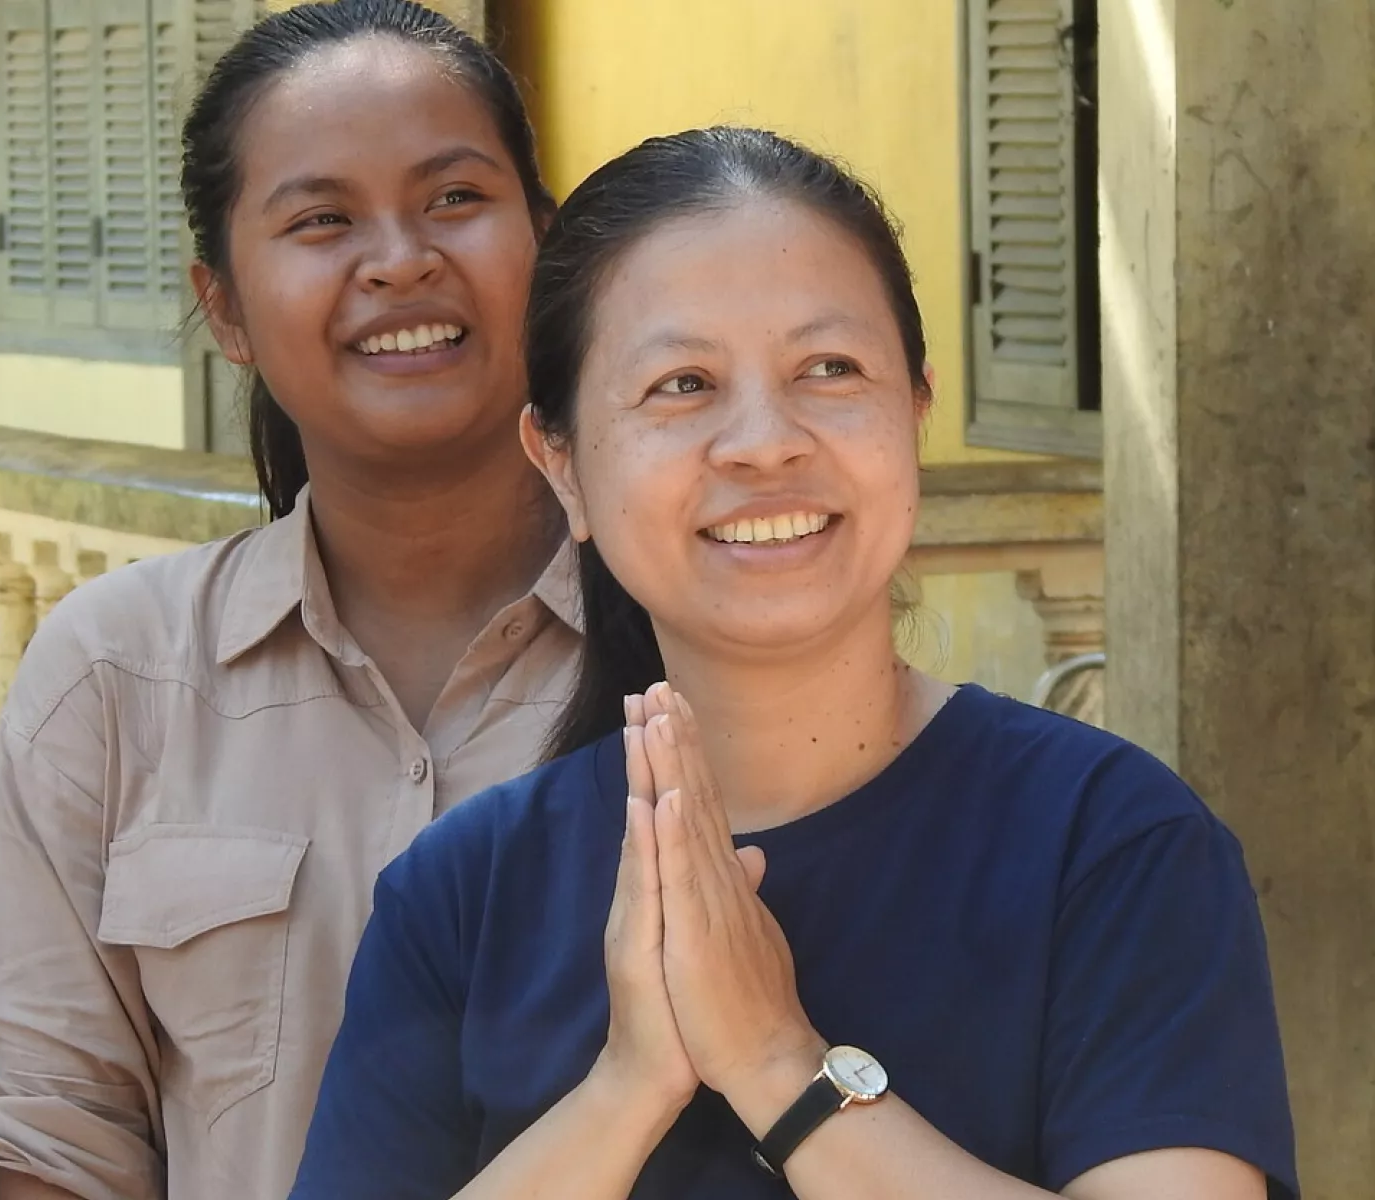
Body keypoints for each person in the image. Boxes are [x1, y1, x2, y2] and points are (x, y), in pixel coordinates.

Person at [293, 126, 1301, 1200]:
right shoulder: (464, 895)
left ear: (915, 409)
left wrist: (780, 1064)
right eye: (682, 384)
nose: (764, 442)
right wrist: (628, 1087)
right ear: (565, 465)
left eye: (829, 368)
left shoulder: (1114, 846)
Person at [0, 3, 576, 1197]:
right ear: (224, 305)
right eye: (322, 220)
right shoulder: (115, 679)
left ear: (546, 243)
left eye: (454, 200)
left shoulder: (694, 644)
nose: (398, 260)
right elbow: (55, 1134)